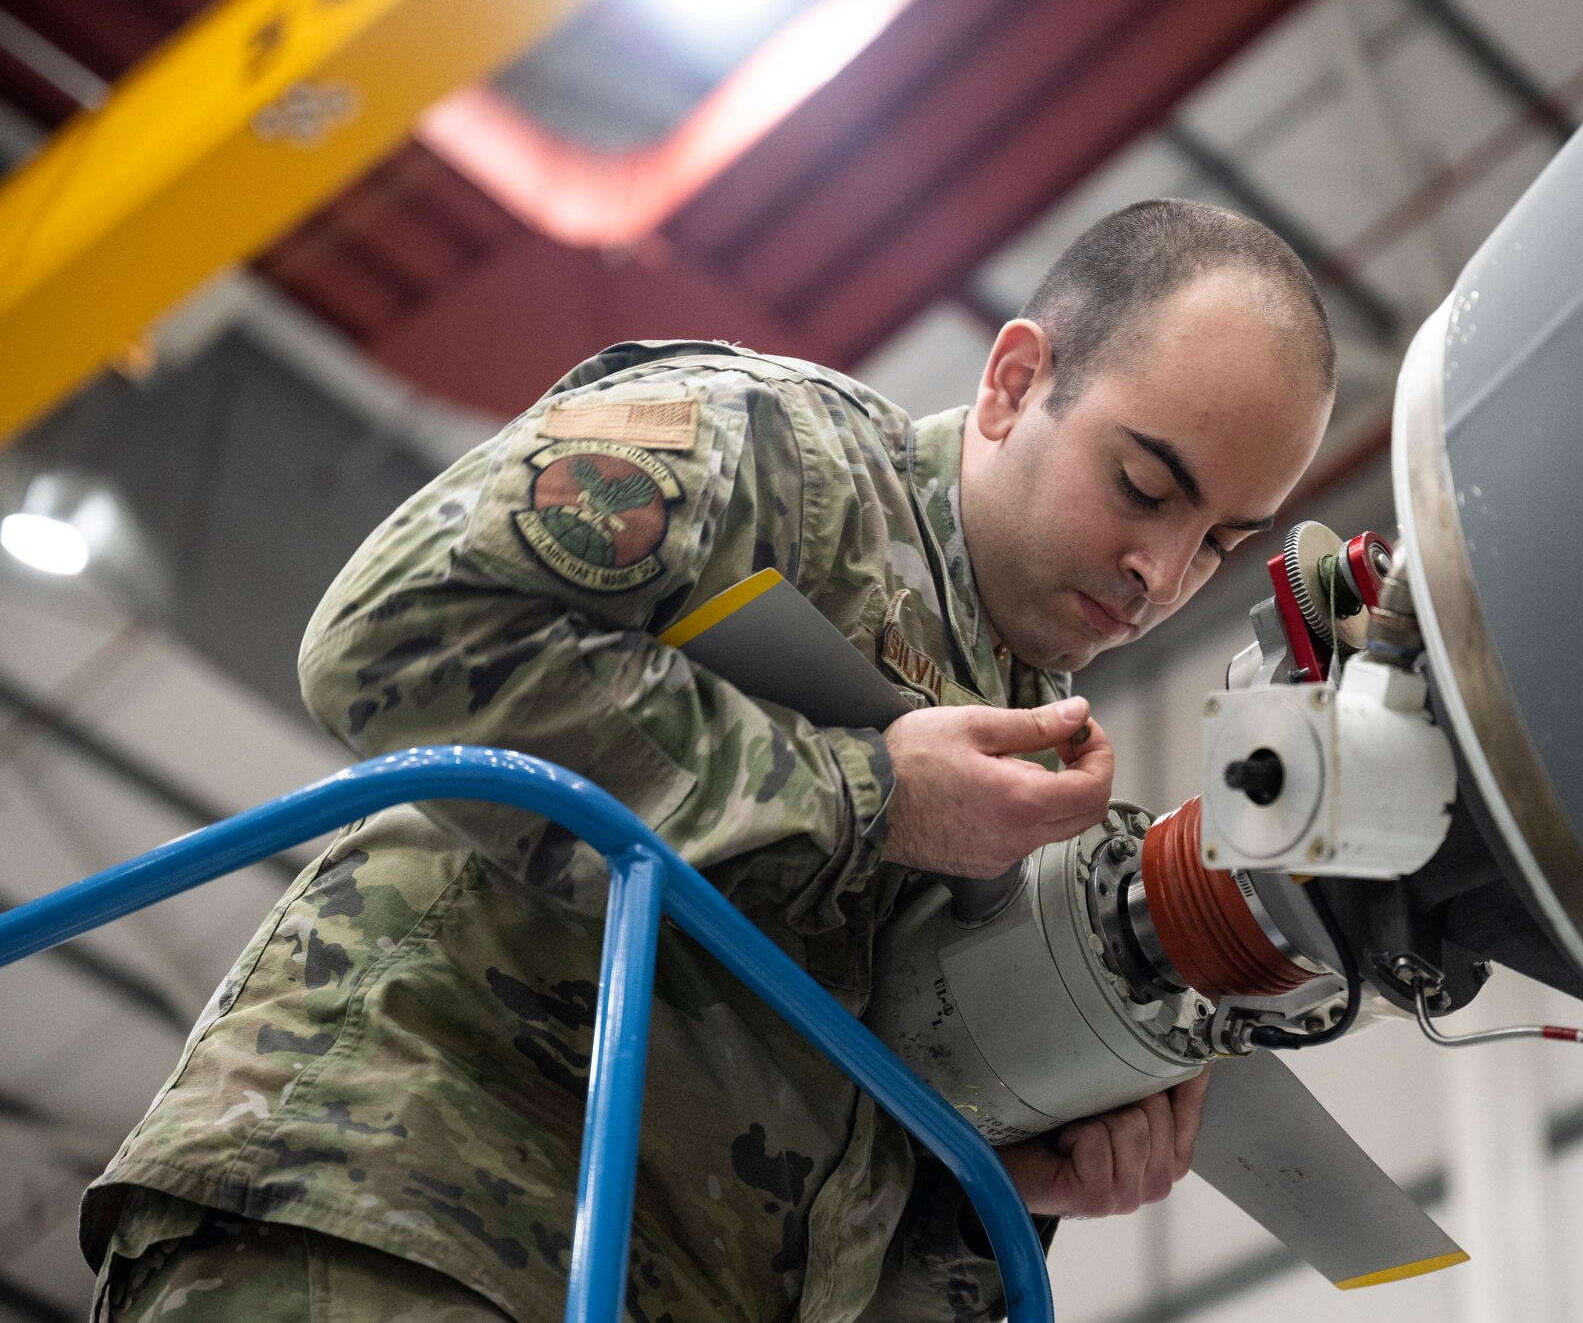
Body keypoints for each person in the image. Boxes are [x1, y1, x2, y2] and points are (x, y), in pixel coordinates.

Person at [82, 198, 1337, 1321]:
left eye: (1220, 541)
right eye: (1142, 486)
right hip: (394, 1205)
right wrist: (877, 797)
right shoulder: (776, 455)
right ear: (1013, 383)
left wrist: (995, 1183)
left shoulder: (1028, 782)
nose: (1161, 573)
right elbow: (396, 630)